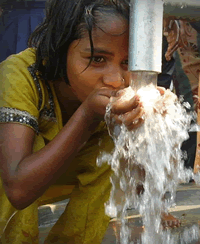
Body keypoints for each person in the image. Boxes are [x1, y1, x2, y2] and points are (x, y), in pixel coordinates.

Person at [0, 0, 178, 243]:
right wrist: (86, 115)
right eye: (97, 59)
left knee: (113, 149)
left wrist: (152, 131)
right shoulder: (19, 74)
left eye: (127, 63)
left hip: (56, 177)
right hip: (18, 183)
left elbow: (137, 188)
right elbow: (18, 191)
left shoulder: (120, 93)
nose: (116, 80)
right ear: (60, 51)